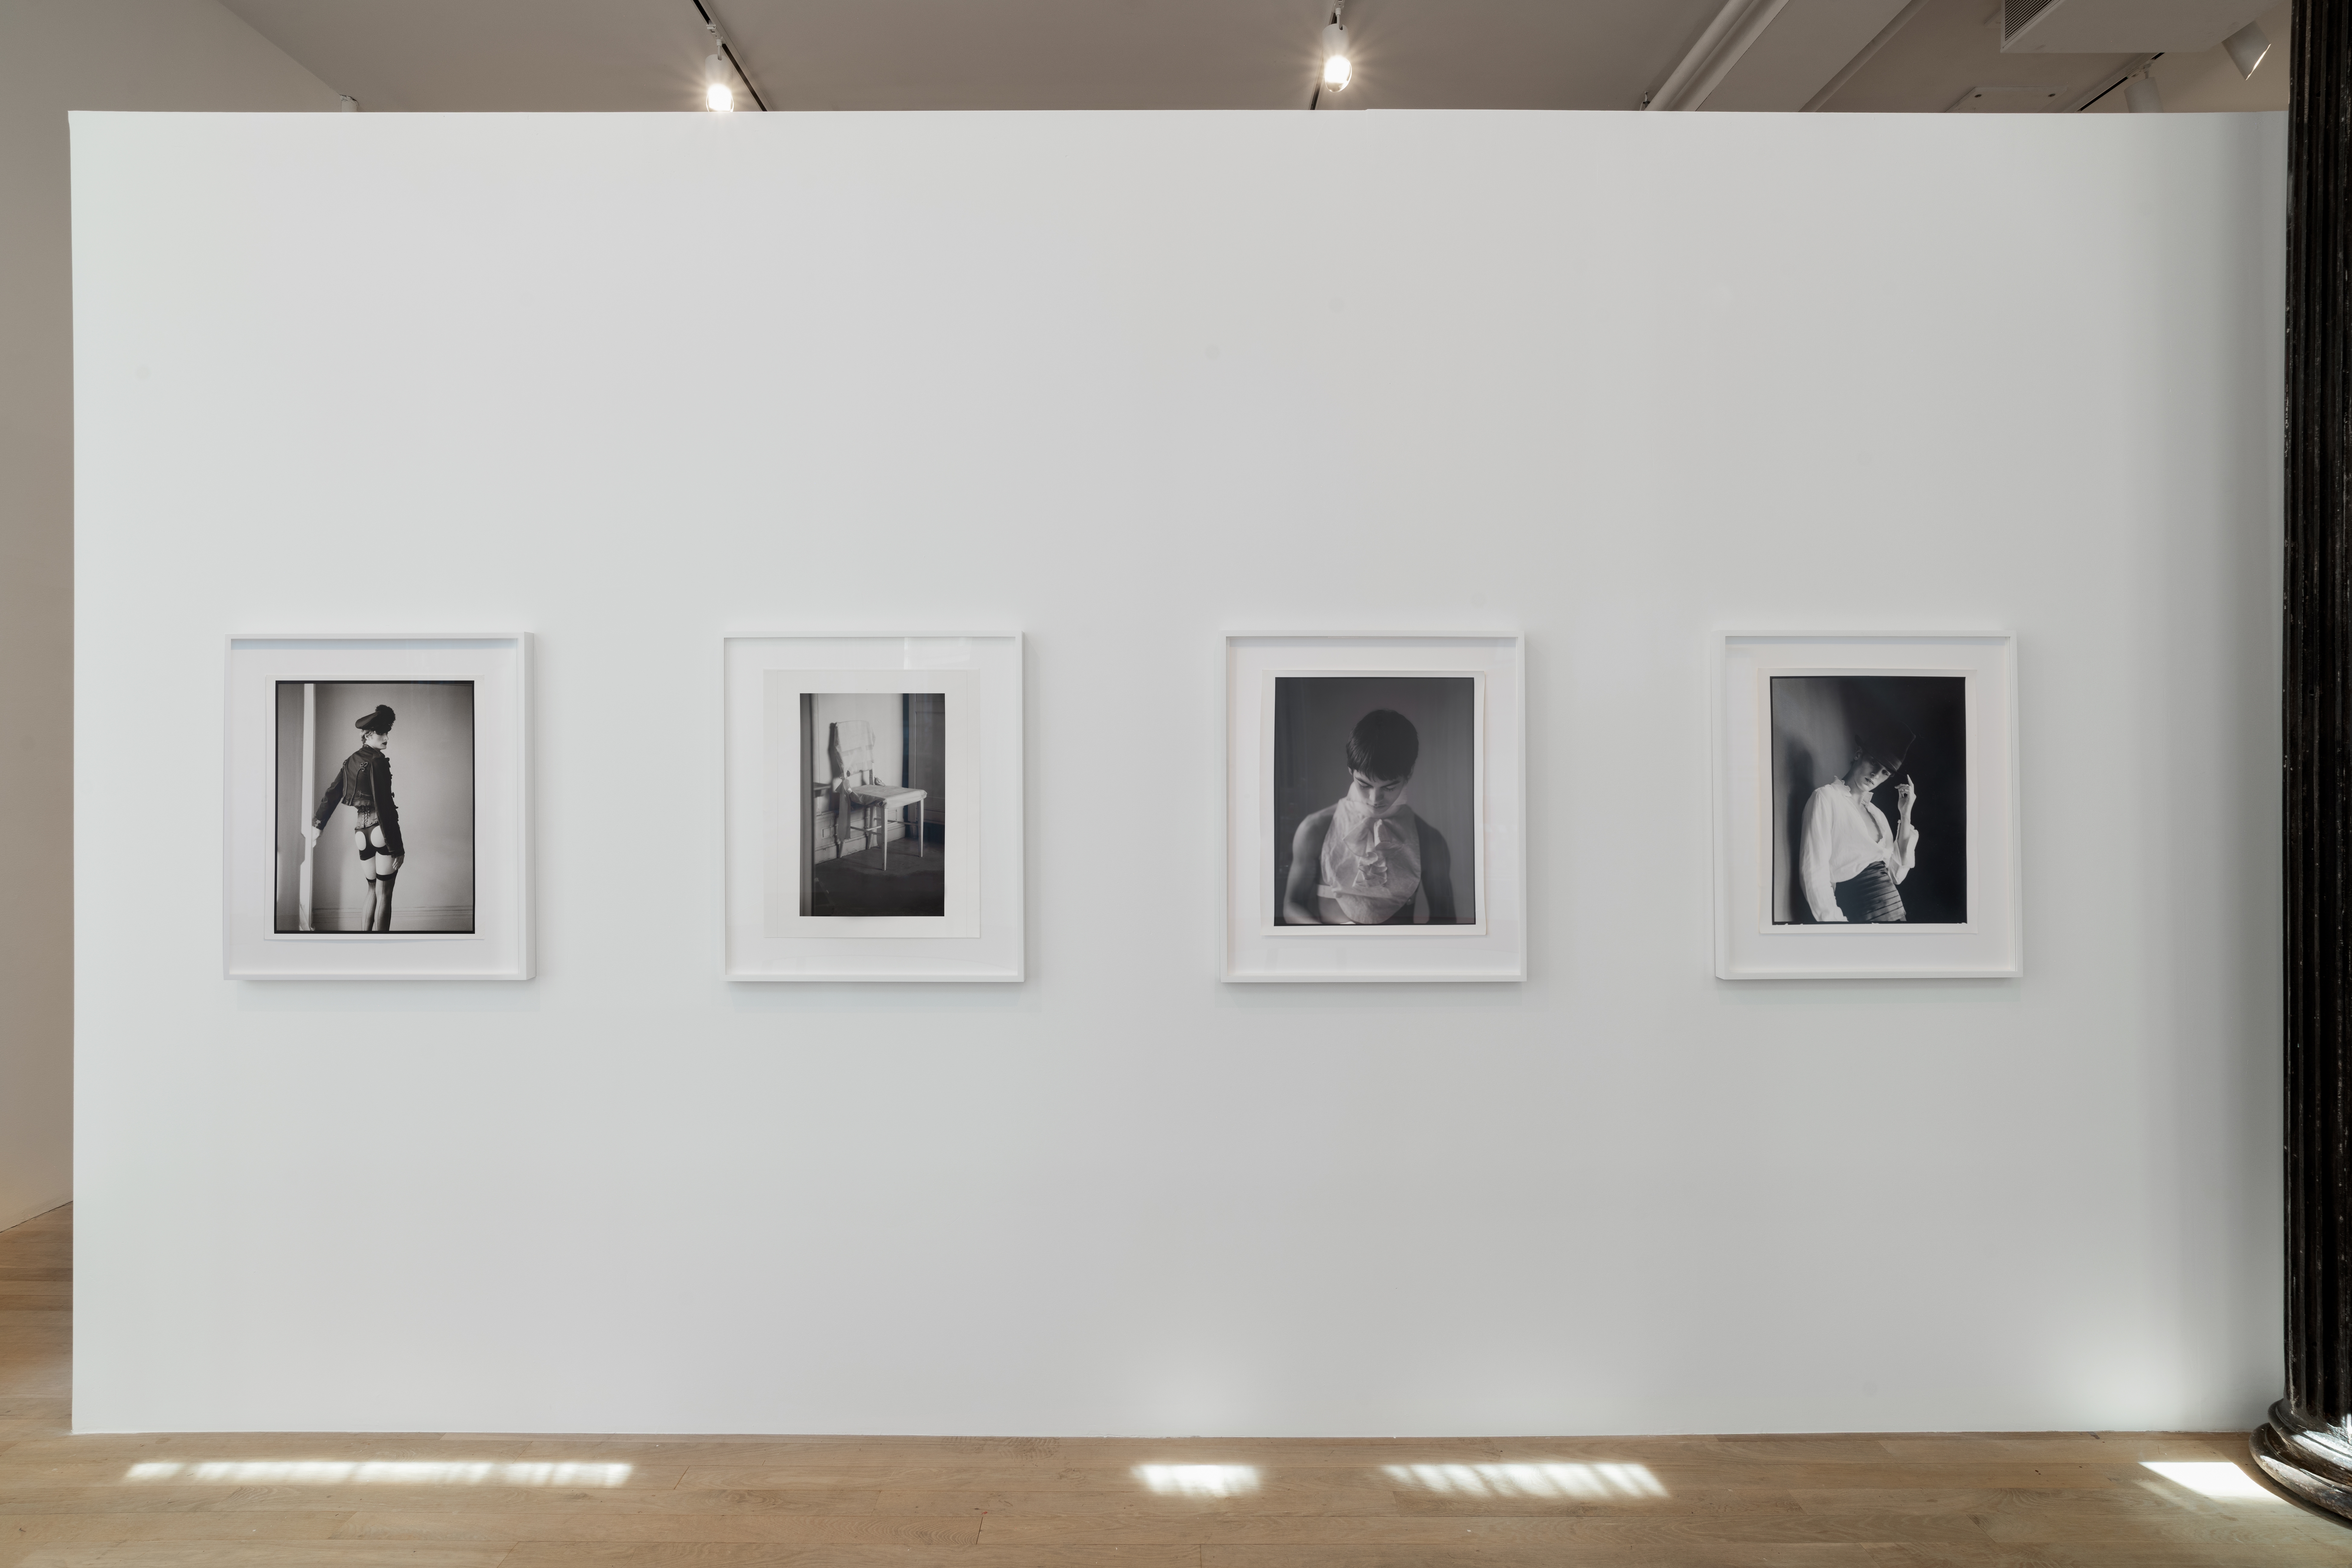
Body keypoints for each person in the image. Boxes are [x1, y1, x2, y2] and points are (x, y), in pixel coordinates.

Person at [1281, 708, 1458, 925]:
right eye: (1364, 785)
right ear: (1350, 770)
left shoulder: (1431, 842)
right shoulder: (1314, 830)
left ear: (1409, 774)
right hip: (1332, 956)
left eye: (1390, 787)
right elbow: (1291, 906)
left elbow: (1446, 923)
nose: (1376, 799)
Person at [304, 704, 404, 932]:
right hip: (382, 831)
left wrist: (317, 825)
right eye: (383, 733)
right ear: (369, 735)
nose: (387, 737)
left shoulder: (350, 760)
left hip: (361, 833)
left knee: (371, 891)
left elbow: (333, 792)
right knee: (385, 894)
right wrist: (398, 847)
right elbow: (385, 805)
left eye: (388, 732)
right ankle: (381, 950)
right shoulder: (377, 760)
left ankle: (364, 943)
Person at [1798, 740, 1917, 923]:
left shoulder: (1878, 816)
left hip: (1900, 922)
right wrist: (1840, 928)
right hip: (1864, 926)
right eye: (1874, 763)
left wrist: (1906, 814)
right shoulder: (1826, 798)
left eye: (1885, 772)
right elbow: (1814, 875)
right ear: (1858, 754)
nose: (1876, 775)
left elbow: (1895, 876)